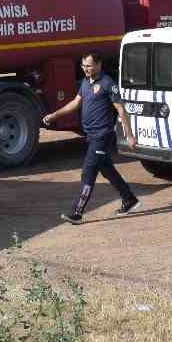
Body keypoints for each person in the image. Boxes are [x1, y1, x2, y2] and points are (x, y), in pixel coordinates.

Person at [41, 51, 139, 224]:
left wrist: (129, 135)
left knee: (88, 172)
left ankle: (77, 212)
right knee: (108, 170)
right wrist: (54, 115)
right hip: (91, 136)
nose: (85, 69)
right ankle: (129, 199)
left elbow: (121, 110)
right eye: (83, 65)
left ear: (98, 65)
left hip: (102, 136)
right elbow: (76, 103)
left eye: (88, 65)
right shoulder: (86, 82)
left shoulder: (108, 83)